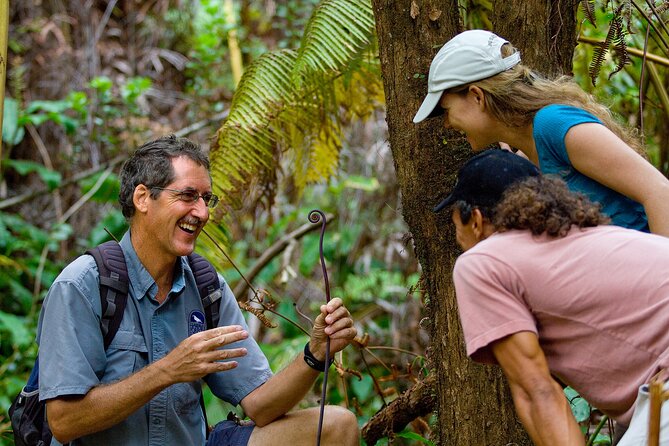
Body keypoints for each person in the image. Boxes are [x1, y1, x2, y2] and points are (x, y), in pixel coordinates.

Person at [36, 135, 360, 446]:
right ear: (143, 198)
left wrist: (316, 354)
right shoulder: (82, 285)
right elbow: (64, 422)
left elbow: (261, 405)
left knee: (336, 426)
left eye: (207, 199)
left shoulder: (207, 287)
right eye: (188, 196)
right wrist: (167, 370)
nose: (203, 213)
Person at [435, 148, 669, 445]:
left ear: (477, 220)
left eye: (457, 228)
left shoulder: (482, 261)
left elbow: (536, 392)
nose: (459, 241)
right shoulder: (586, 238)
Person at [414, 29, 669, 236]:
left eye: (446, 110)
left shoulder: (552, 124)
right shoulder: (523, 152)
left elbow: (658, 191)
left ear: (477, 96)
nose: (447, 124)